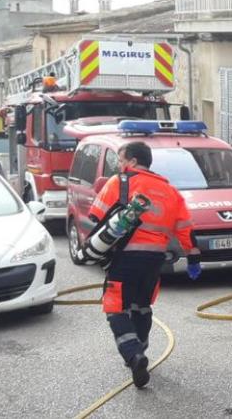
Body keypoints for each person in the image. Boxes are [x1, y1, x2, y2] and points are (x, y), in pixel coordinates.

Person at [88, 141, 200, 389]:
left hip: (125, 257)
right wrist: (193, 258)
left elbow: (95, 217)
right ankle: (141, 348)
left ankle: (133, 353)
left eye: (121, 160)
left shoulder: (121, 182)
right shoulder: (170, 191)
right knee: (142, 306)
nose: (120, 165)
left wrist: (92, 249)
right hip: (154, 260)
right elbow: (186, 229)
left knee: (116, 308)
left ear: (133, 161)